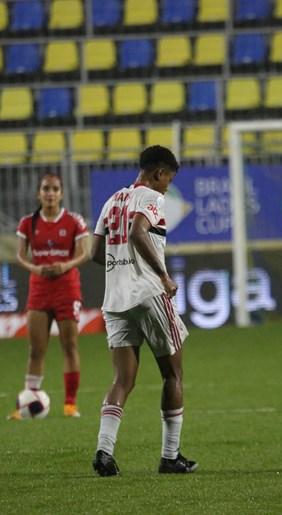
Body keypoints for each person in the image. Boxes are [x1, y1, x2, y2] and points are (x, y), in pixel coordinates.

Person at [90, 145, 196, 476]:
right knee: (173, 374)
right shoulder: (151, 197)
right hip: (149, 293)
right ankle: (169, 456)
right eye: (168, 179)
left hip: (116, 300)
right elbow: (138, 231)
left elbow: (95, 251)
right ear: (157, 173)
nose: (167, 186)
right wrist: (162, 275)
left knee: (123, 379)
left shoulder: (111, 201)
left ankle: (104, 452)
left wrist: (119, 265)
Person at [10, 174, 90, 419]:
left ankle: (70, 404)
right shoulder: (28, 223)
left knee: (70, 346)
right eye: (46, 189)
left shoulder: (74, 221)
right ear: (38, 193)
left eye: (55, 188)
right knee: (36, 349)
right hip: (40, 288)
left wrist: (65, 266)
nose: (50, 193)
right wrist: (36, 269)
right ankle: (28, 400)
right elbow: (20, 255)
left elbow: (85, 252)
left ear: (62, 194)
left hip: (67, 288)